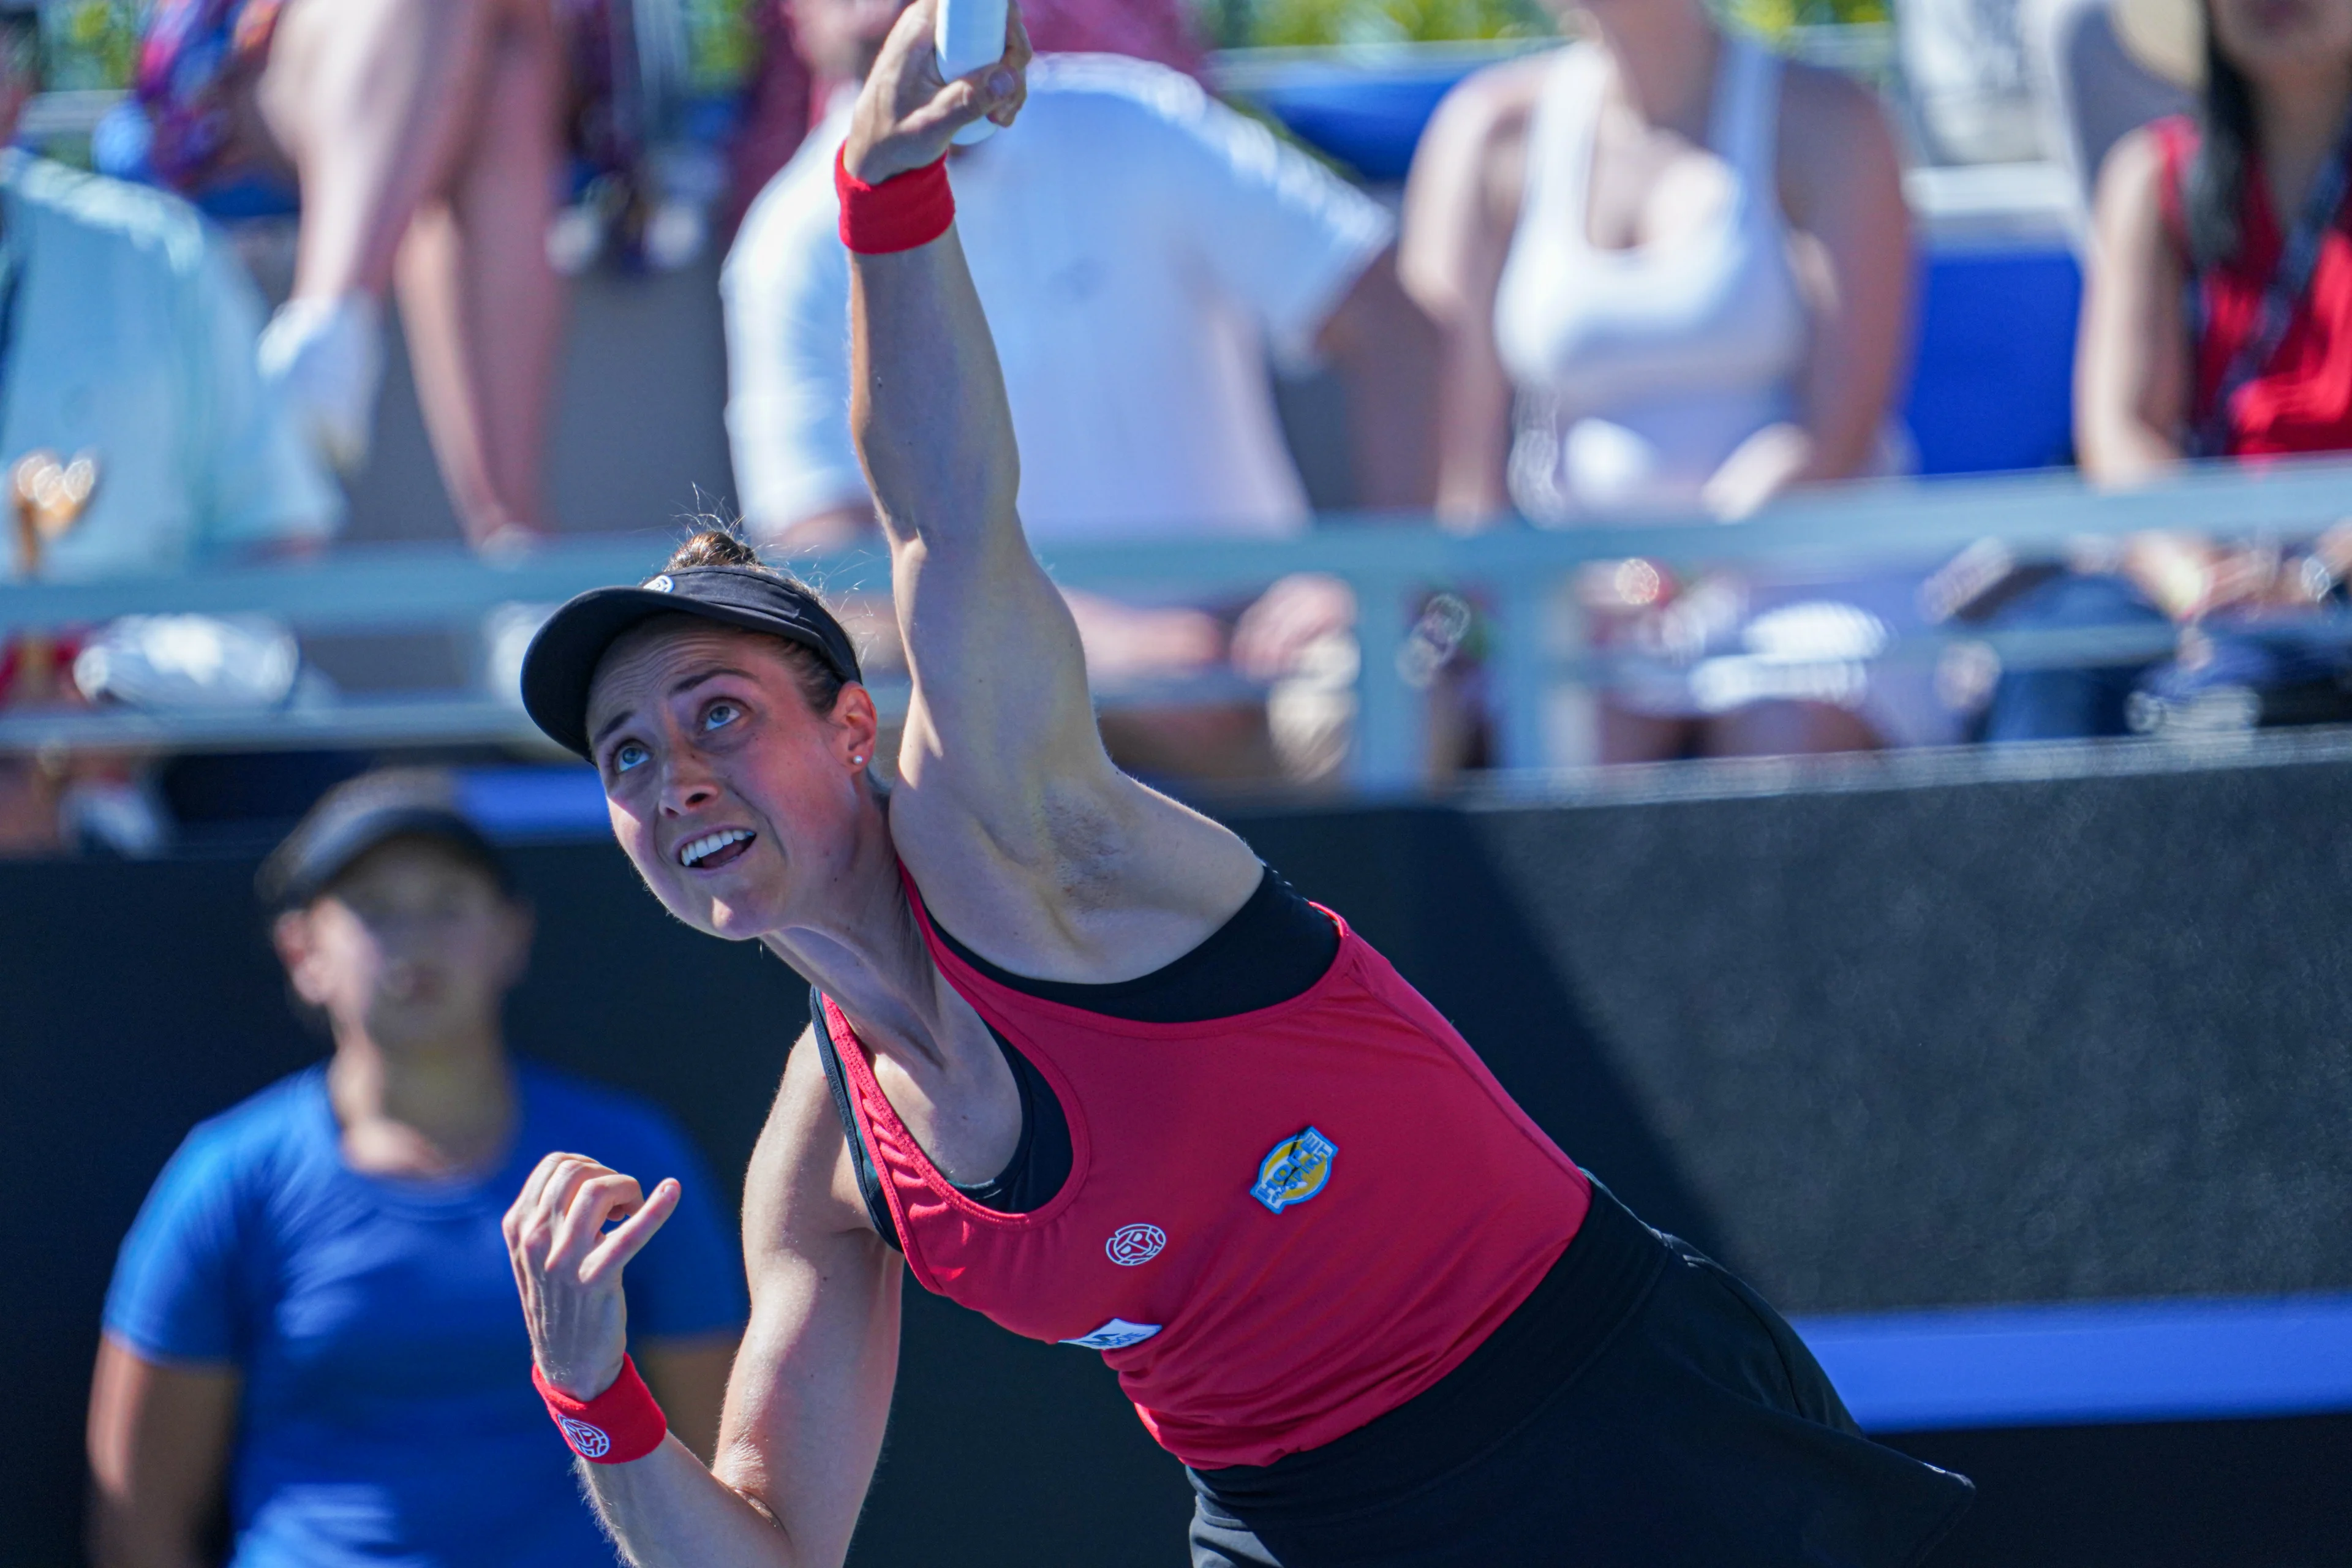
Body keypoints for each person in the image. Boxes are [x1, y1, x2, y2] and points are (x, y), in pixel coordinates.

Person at [496, 6, 1973, 1562]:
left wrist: (882, 197)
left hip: (1603, 1427)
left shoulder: (1013, 834)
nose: (677, 775)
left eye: (718, 712)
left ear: (858, 728)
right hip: (1294, 1525)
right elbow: (771, 1552)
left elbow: (945, 513)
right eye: (631, 755)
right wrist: (593, 1392)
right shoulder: (828, 1155)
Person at [722, 0, 1436, 781]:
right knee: (857, 743)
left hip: (1260, 652)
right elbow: (827, 565)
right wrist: (1090, 647)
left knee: (1388, 706)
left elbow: (1397, 323)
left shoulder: (1135, 123)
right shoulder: (787, 243)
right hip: (994, 697)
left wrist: (1367, 576)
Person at [87, 770, 745, 1567]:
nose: (416, 939)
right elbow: (137, 1521)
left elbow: (722, 1474)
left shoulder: (633, 1161)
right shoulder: (226, 1178)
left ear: (511, 934)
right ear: (303, 951)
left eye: (448, 903)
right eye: (374, 909)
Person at [1398, 0, 1929, 763]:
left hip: (1806, 582)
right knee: (1582, 746)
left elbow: (1837, 428)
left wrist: (1670, 573)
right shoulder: (1486, 132)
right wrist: (1553, 593)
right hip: (1571, 607)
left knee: (1777, 739)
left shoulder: (1835, 118)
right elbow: (1457, 471)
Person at [1987, 0, 2352, 737]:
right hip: (2202, 554)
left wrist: (2319, 578)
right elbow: (2120, 432)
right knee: (2056, 658)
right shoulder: (2153, 175)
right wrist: (2194, 577)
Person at [134, 0, 567, 546]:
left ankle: (324, 336)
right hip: (253, 56)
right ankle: (513, 547)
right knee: (493, 64)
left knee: (506, 76)